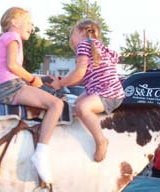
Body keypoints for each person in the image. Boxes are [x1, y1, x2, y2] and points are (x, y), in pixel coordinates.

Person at [0, 7, 64, 184]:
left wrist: (39, 80)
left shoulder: (4, 39)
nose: (32, 27)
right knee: (56, 105)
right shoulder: (12, 37)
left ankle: (35, 134)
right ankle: (41, 153)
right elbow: (13, 66)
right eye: (29, 23)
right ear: (14, 22)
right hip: (9, 87)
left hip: (3, 86)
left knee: (47, 96)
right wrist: (32, 79)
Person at [51, 19, 125, 162]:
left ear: (81, 32)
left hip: (107, 92)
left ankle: (101, 140)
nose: (70, 40)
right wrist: (63, 80)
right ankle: (76, 134)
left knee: (82, 107)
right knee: (75, 105)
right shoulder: (99, 47)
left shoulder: (84, 45)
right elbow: (81, 77)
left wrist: (60, 83)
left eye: (71, 35)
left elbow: (78, 74)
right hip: (99, 89)